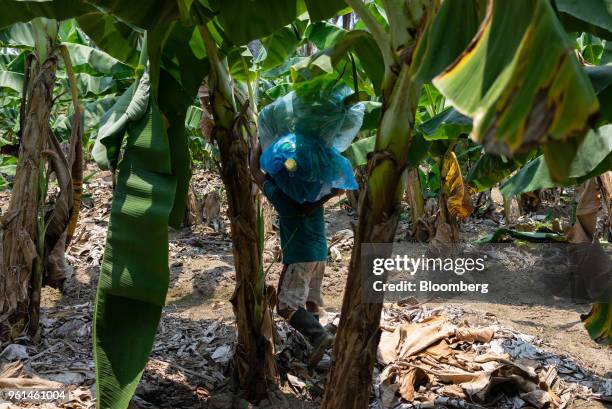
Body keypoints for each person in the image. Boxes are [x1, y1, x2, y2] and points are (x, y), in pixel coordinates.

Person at [250, 142, 339, 366]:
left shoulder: (282, 197)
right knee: (310, 302)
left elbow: (255, 172)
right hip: (319, 255)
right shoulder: (314, 189)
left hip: (299, 257)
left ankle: (319, 337)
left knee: (286, 306)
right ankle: (320, 354)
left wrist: (259, 143)